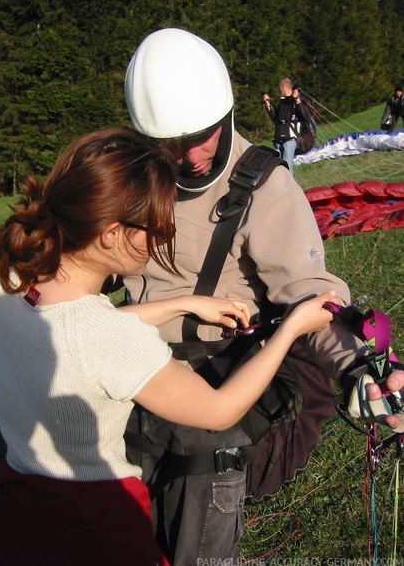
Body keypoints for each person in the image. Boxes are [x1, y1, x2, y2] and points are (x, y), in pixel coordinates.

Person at [0, 127, 337, 566]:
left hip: (20, 514)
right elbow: (219, 410)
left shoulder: (14, 285)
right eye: (155, 225)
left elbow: (85, 330)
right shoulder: (111, 341)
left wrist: (185, 304)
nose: (161, 238)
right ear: (112, 233)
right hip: (98, 525)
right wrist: (291, 328)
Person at [123, 28, 404, 566]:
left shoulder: (262, 184)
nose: (192, 152)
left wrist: (364, 368)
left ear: (226, 111)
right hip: (139, 354)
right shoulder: (129, 178)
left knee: (204, 445)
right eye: (172, 140)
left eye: (204, 132)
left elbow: (312, 296)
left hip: (229, 364)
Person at [263, 78, 307, 175]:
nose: (279, 91)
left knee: (287, 165)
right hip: (279, 139)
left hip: (289, 140)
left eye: (279, 88)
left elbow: (303, 115)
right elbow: (276, 118)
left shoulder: (295, 101)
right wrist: (268, 103)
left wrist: (297, 100)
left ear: (282, 87)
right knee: (278, 166)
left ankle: (290, 187)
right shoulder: (282, 102)